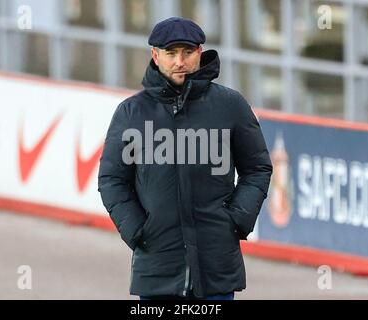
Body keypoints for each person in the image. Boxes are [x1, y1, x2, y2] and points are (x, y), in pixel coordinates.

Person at [98, 17, 273, 300]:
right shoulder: (132, 113)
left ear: (199, 53)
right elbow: (112, 179)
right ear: (155, 56)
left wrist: (237, 219)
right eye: (170, 53)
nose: (180, 61)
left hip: (215, 269)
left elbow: (257, 168)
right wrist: (137, 230)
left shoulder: (230, 106)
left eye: (187, 52)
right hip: (157, 269)